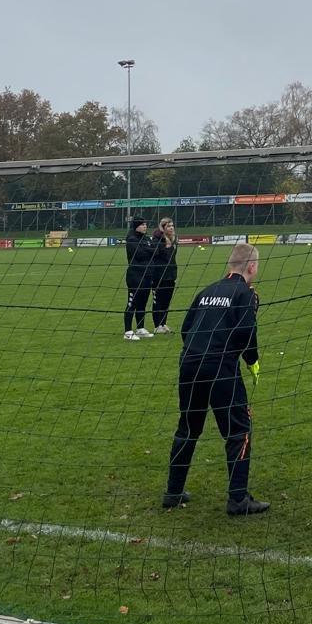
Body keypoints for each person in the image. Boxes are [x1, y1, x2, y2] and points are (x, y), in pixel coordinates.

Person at [163, 243, 269, 515]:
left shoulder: (207, 291)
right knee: (239, 429)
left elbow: (187, 328)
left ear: (230, 264)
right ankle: (238, 499)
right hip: (219, 366)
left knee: (188, 428)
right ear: (252, 266)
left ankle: (173, 492)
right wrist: (251, 360)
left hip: (189, 364)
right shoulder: (244, 292)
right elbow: (246, 332)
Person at [123, 218, 159, 340]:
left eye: (145, 224)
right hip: (135, 276)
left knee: (142, 303)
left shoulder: (146, 238)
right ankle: (128, 331)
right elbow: (139, 254)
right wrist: (149, 250)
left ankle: (140, 328)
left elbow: (156, 252)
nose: (145, 227)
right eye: (142, 225)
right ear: (136, 226)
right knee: (132, 303)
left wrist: (148, 250)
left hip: (148, 274)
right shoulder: (132, 239)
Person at [149, 217, 180, 334]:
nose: (171, 228)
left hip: (171, 275)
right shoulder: (157, 240)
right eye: (168, 226)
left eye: (172, 226)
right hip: (158, 276)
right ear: (162, 228)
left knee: (167, 301)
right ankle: (157, 325)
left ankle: (163, 323)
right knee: (158, 300)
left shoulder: (174, 240)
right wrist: (164, 243)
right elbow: (157, 255)